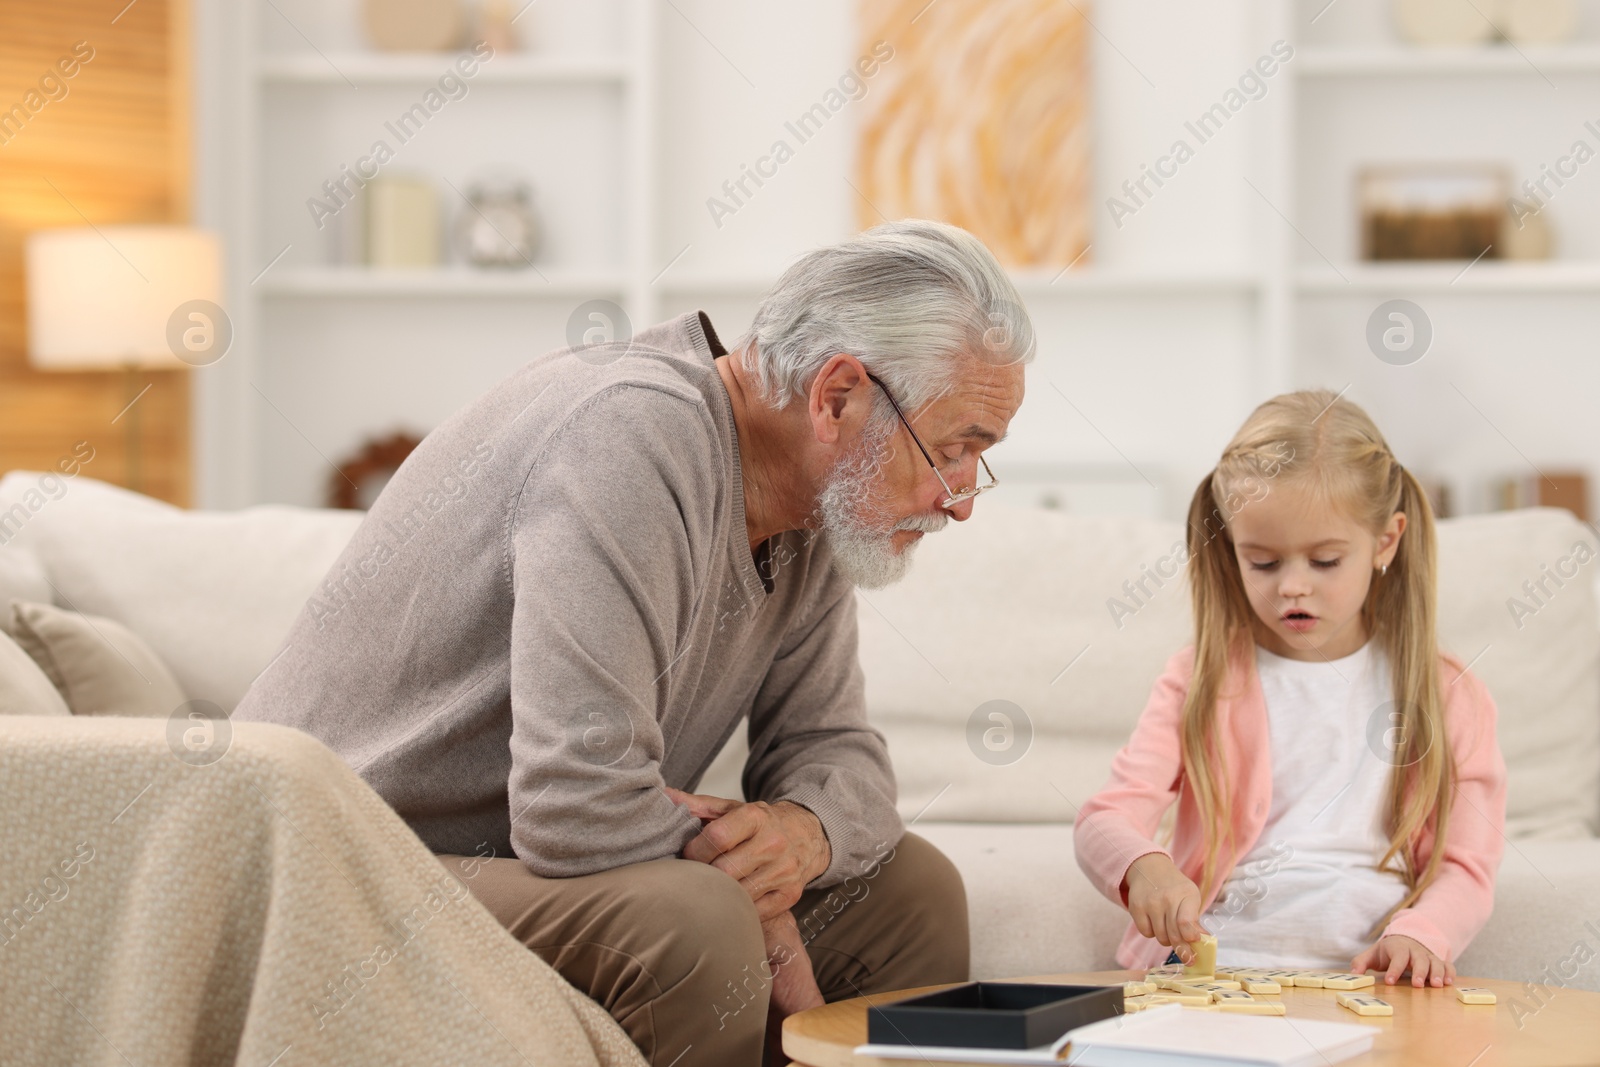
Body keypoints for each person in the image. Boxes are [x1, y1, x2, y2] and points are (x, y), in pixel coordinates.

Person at [234, 219, 1033, 1064]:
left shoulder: (812, 506)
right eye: (951, 451)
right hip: (340, 862)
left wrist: (803, 831)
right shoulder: (633, 435)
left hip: (498, 872)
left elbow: (845, 763)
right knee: (693, 923)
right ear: (836, 397)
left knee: (916, 895)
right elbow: (576, 805)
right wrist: (760, 895)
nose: (960, 499)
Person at [1074, 389, 1507, 988]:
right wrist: (1145, 867)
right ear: (1231, 548)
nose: (1293, 588)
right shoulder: (1199, 677)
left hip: (1372, 978)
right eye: (1264, 562)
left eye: (1325, 561)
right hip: (1217, 970)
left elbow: (1468, 866)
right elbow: (1105, 818)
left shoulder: (1446, 691)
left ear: (1385, 540)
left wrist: (1422, 933)